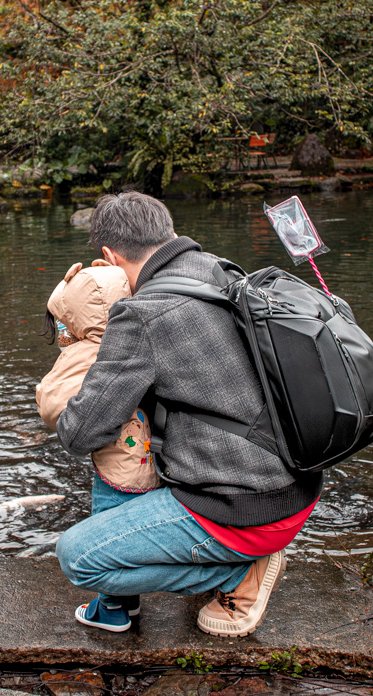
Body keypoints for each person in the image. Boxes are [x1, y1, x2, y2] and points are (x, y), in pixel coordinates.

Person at [54, 191, 324, 637]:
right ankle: (233, 561)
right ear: (168, 230)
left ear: (108, 256)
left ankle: (239, 575)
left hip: (245, 510)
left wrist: (80, 360)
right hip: (299, 485)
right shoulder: (223, 270)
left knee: (79, 558)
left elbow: (79, 433)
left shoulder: (141, 314)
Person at [35, 260, 161, 631]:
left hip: (117, 469)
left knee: (109, 534)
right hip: (156, 460)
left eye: (63, 320)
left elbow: (55, 406)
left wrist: (67, 355)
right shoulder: (144, 333)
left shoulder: (90, 352)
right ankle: (130, 601)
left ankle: (112, 609)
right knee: (133, 531)